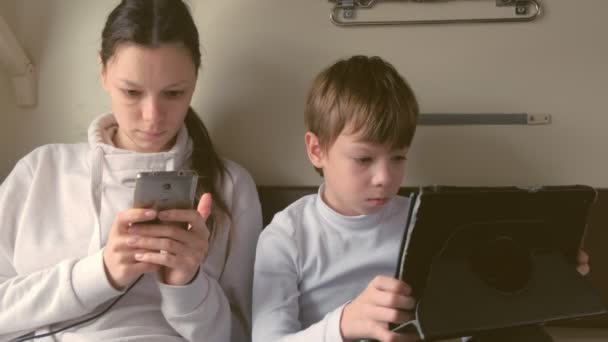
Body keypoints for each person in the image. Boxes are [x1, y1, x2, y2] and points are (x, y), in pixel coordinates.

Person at [251, 55, 591, 342]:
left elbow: (471, 316)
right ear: (317, 150)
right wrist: (344, 323)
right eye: (364, 159)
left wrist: (546, 278)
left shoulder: (426, 221)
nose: (385, 178)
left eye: (398, 158)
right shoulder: (287, 236)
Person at [0, 1, 262, 341]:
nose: (152, 117)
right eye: (132, 92)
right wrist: (102, 271)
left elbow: (240, 335)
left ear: (195, 80)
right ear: (103, 72)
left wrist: (187, 284)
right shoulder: (40, 171)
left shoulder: (230, 187)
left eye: (173, 93)